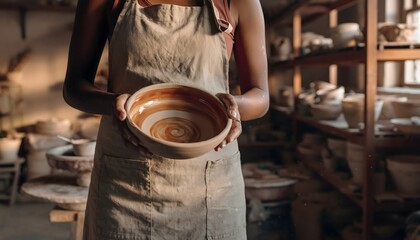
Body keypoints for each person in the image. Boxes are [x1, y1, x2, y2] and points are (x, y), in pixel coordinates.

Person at [63, 0, 269, 239]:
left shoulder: (239, 2)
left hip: (210, 183)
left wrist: (235, 108)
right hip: (127, 179)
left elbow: (260, 96)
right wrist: (112, 104)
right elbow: (74, 88)